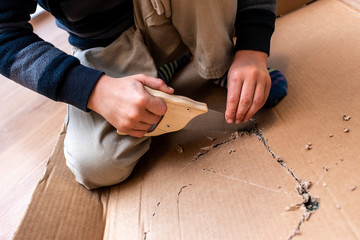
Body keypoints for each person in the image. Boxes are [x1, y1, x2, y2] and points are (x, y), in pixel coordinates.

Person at [0, 0, 286, 189]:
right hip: (106, 43)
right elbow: (4, 33)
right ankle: (165, 66)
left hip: (186, 13)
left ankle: (218, 61)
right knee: (96, 166)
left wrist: (252, 49)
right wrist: (94, 90)